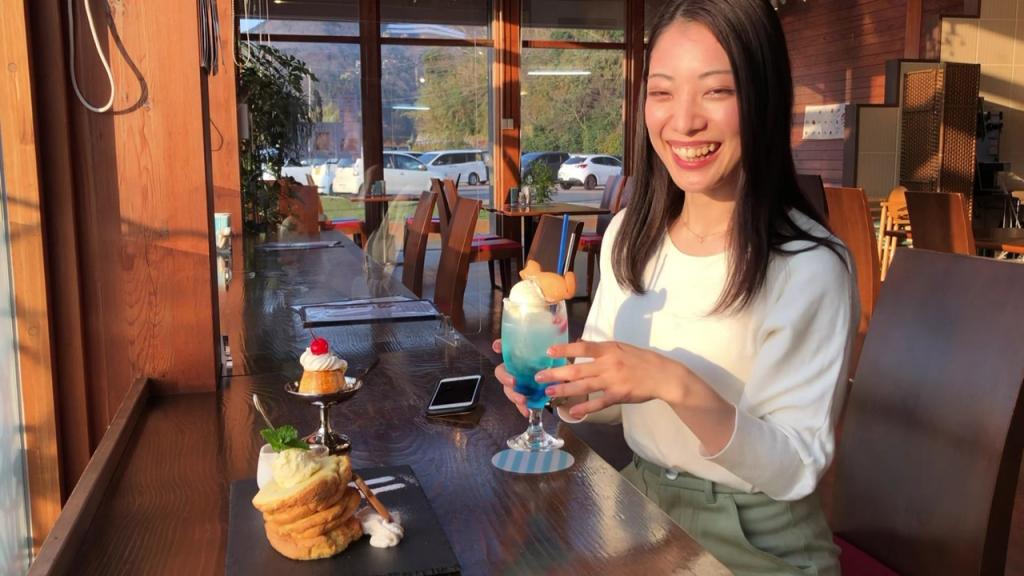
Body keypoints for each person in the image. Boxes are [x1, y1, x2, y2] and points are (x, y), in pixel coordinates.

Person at [493, 0, 858, 573]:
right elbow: (613, 401)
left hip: (753, 537)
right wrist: (566, 390)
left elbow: (795, 467)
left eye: (716, 91)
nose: (683, 121)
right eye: (662, 92)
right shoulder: (628, 236)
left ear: (764, 98)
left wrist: (672, 381)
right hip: (640, 503)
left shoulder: (808, 266)